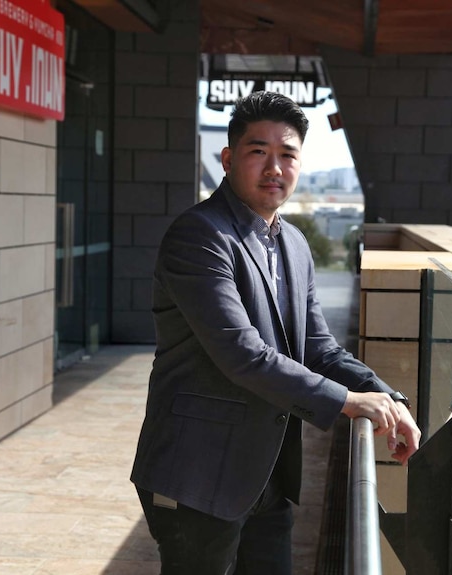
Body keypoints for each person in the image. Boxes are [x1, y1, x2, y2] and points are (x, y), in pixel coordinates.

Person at [130, 91, 421, 575]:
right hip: (196, 474)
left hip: (267, 474)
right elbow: (242, 353)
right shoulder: (199, 236)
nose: (274, 168)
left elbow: (318, 349)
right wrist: (347, 403)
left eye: (287, 154)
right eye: (257, 151)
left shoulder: (293, 242)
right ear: (227, 159)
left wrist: (385, 397)